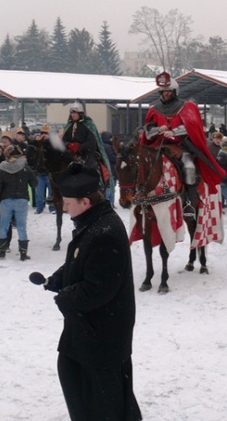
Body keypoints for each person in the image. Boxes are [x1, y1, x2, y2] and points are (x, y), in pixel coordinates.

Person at [40, 163, 142, 421]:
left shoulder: (104, 231)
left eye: (67, 202)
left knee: (105, 409)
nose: (64, 207)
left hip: (101, 341)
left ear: (85, 202)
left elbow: (97, 289)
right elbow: (83, 260)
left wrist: (64, 298)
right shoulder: (94, 223)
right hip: (86, 336)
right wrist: (61, 277)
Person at [141, 72, 225, 215]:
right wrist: (157, 130)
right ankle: (142, 197)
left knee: (189, 167)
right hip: (159, 147)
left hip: (181, 147)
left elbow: (193, 126)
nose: (165, 94)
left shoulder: (187, 107)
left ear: (174, 91)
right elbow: (147, 131)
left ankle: (189, 204)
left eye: (168, 91)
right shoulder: (154, 110)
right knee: (143, 166)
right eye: (163, 91)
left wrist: (174, 132)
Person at [62, 100, 113, 192]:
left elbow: (91, 141)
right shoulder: (69, 126)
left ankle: (98, 187)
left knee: (91, 169)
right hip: (70, 154)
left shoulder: (89, 125)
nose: (73, 115)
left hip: (86, 154)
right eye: (72, 113)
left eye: (75, 112)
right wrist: (69, 145)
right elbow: (63, 140)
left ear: (80, 113)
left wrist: (79, 147)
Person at [0, 145, 37, 260]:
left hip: (5, 200)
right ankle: (23, 253)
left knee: (3, 226)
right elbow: (34, 183)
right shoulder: (25, 167)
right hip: (21, 199)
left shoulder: (2, 168)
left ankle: (2, 251)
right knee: (21, 226)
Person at [32, 125, 56, 214]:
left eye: (46, 133)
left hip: (50, 172)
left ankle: (53, 208)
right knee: (39, 193)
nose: (43, 135)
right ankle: (39, 208)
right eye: (42, 133)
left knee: (51, 192)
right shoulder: (38, 144)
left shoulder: (52, 144)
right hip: (39, 172)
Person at [100, 130, 118, 206]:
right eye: (110, 137)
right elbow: (112, 158)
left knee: (108, 186)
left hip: (105, 169)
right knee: (110, 187)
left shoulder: (102, 146)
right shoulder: (108, 147)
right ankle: (109, 202)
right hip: (111, 169)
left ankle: (110, 202)